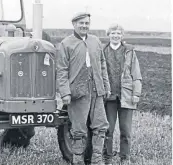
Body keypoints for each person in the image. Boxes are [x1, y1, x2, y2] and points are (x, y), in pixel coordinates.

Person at [57, 12, 111, 165]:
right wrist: (65, 92)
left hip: (96, 90)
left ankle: (97, 160)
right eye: (81, 23)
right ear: (74, 24)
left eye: (87, 23)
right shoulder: (66, 44)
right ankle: (78, 159)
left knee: (101, 126)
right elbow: (62, 70)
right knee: (79, 129)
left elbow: (102, 65)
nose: (84, 26)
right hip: (78, 92)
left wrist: (105, 86)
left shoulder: (95, 41)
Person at [102, 24, 142, 165]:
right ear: (108, 34)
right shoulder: (103, 51)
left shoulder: (129, 52)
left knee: (125, 131)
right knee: (108, 130)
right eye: (113, 33)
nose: (116, 35)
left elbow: (136, 74)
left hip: (126, 96)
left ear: (122, 36)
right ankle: (107, 157)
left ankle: (125, 158)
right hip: (109, 98)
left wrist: (136, 93)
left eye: (118, 33)